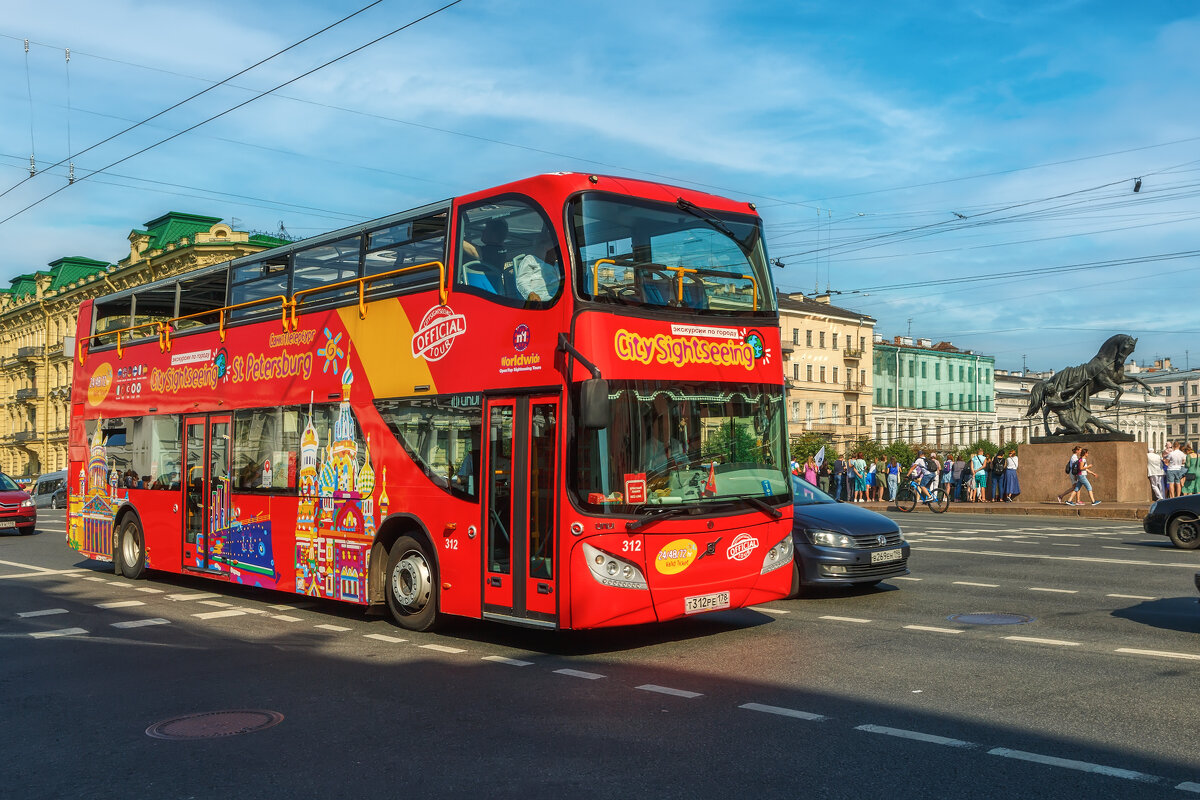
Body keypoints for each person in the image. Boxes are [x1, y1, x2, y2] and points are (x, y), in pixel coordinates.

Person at [462, 218, 514, 295]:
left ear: (493, 234)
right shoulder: (500, 250)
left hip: (479, 289)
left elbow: (474, 251)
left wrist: (455, 237)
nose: (483, 231)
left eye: (486, 229)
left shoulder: (491, 252)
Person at [512, 230, 562, 302]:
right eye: (554, 248)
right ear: (544, 247)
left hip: (562, 296)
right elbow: (522, 281)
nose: (557, 251)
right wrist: (530, 293)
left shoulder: (558, 265)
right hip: (544, 300)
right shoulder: (531, 260)